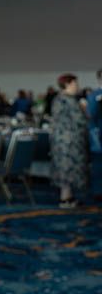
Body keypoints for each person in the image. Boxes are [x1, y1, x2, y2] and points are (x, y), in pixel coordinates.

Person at [50, 74, 89, 208]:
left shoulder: (58, 98)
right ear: (68, 84)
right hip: (69, 142)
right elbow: (80, 120)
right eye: (75, 83)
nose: (77, 86)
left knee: (65, 170)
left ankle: (67, 197)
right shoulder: (69, 100)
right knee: (68, 170)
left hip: (61, 141)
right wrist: (85, 110)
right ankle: (65, 200)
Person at [88, 69, 102, 202]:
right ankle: (98, 191)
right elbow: (90, 116)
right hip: (98, 134)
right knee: (98, 164)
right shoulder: (94, 95)